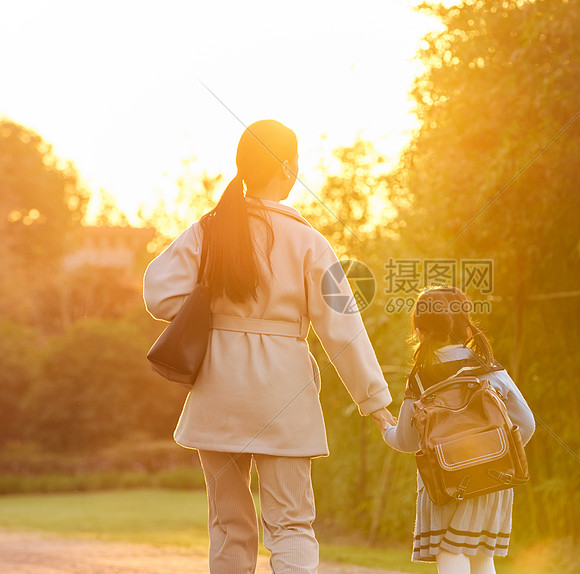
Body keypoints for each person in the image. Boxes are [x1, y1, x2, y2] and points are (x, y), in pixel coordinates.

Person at [143, 119, 396, 574]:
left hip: (217, 395)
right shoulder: (310, 242)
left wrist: (211, 308)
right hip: (284, 395)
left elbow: (157, 293)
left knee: (228, 526)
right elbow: (344, 330)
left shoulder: (209, 229)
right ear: (285, 166)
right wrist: (374, 401)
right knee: (292, 524)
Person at [375, 286, 535, 574]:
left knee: (451, 552)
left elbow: (408, 440)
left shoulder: (421, 378)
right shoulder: (489, 367)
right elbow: (526, 423)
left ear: (421, 332)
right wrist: (492, 454)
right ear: (467, 329)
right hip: (494, 478)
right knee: (481, 556)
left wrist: (386, 427)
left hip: (447, 481)